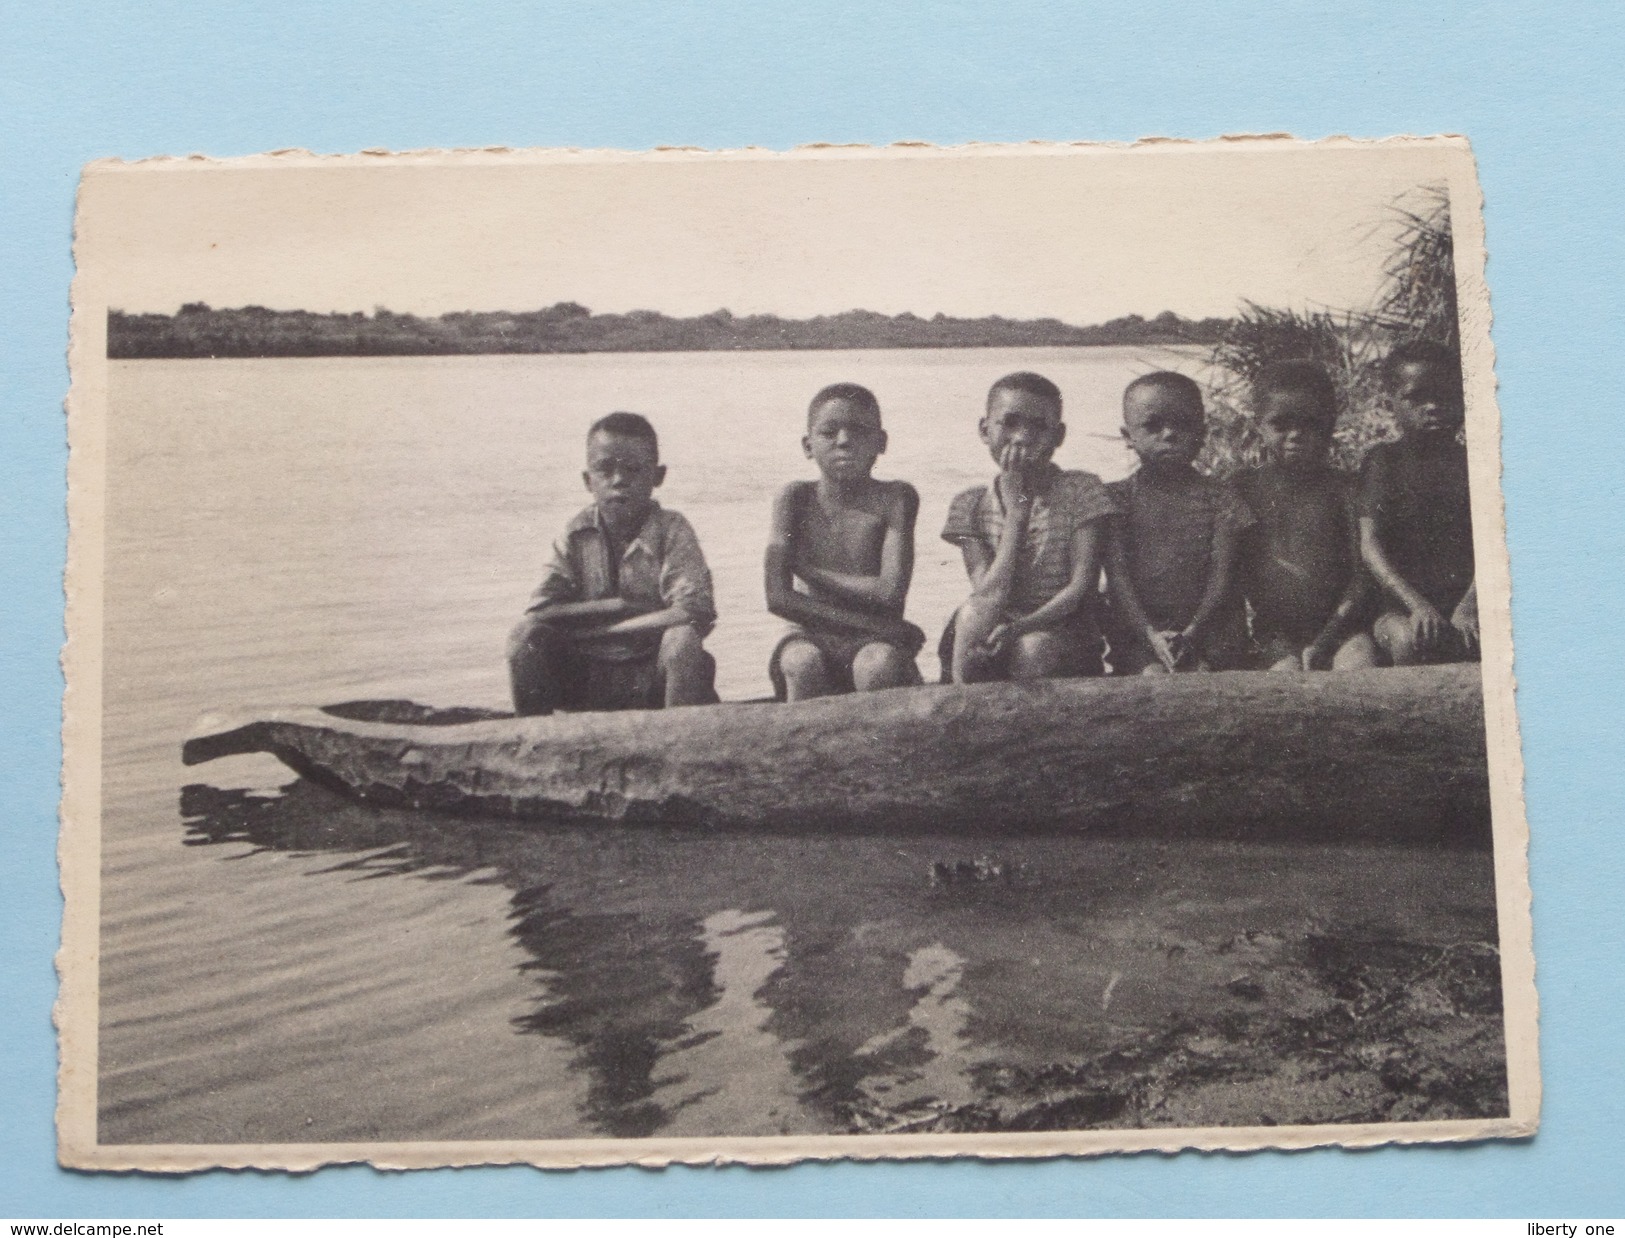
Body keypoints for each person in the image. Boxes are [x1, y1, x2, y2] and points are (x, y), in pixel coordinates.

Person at [507, 411, 717, 715]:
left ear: (658, 477)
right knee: (523, 638)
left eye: (633, 469)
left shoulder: (672, 529)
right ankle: (531, 742)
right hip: (586, 676)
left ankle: (678, 747)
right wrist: (620, 608)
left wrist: (604, 629)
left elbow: (694, 611)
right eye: (605, 470)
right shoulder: (575, 533)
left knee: (682, 641)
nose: (618, 481)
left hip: (652, 674)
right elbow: (540, 609)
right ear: (587, 480)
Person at [940, 371, 1117, 683]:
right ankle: (962, 708)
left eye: (1038, 426)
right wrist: (1017, 515)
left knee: (1032, 647)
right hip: (997, 623)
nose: (1022, 437)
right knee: (969, 616)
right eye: (1009, 423)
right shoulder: (970, 504)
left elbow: (1080, 588)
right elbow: (988, 595)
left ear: (1059, 435)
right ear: (984, 430)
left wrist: (1022, 627)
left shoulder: (1082, 491)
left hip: (1063, 629)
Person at [764, 382, 925, 700]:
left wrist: (807, 572)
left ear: (881, 442)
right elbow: (776, 598)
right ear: (808, 446)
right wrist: (873, 625)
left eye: (860, 431)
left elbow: (889, 593)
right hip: (812, 633)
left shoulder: (896, 498)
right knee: (801, 662)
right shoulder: (794, 498)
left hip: (876, 641)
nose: (844, 441)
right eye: (828, 432)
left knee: (877, 666)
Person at [1105, 371, 1253, 673]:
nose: (1170, 434)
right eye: (1153, 426)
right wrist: (1150, 634)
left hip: (1210, 631)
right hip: (1141, 633)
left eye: (1183, 424)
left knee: (1205, 677)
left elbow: (1221, 578)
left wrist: (1192, 632)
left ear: (1203, 431)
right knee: (1152, 677)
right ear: (1128, 436)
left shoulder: (1221, 497)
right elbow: (1118, 580)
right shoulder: (1116, 501)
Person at [1234, 360, 1377, 671]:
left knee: (1359, 670)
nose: (1296, 434)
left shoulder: (1345, 488)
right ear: (1258, 425)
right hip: (1273, 632)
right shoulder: (1243, 488)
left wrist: (1326, 638)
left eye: (1311, 423)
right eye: (1281, 424)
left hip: (1343, 626)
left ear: (1331, 425)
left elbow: (1361, 576)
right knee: (1284, 677)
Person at [1358, 340, 1478, 664]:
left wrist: (1469, 606)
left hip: (1465, 603)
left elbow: (1493, 541)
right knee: (1410, 640)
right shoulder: (1384, 462)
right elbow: (1370, 545)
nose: (1432, 406)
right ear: (1391, 403)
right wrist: (1418, 605)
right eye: (1417, 397)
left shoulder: (1476, 463)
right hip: (1398, 607)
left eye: (1444, 395)